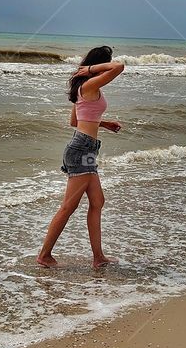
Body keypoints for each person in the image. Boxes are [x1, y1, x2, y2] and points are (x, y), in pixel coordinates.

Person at [37, 46, 124, 269]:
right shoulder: (88, 83)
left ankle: (98, 257)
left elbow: (75, 122)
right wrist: (89, 69)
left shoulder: (83, 88)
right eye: (106, 62)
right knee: (68, 206)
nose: (109, 65)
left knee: (97, 202)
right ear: (98, 64)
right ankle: (44, 255)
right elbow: (119, 67)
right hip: (82, 150)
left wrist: (104, 123)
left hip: (86, 148)